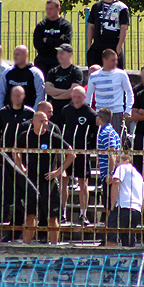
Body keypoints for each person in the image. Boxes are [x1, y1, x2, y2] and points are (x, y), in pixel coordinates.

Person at [14, 112, 74, 244]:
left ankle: (54, 246)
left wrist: (58, 171)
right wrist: (21, 167)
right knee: (30, 216)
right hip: (31, 181)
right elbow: (15, 151)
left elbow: (71, 154)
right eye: (42, 121)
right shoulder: (25, 136)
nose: (45, 123)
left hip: (48, 182)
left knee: (52, 217)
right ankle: (26, 245)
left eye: (46, 121)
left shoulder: (53, 137)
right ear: (34, 122)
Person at [0, 86, 35, 241]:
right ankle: (2, 214)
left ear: (23, 96)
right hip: (5, 157)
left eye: (19, 95)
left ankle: (18, 227)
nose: (16, 98)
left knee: (21, 193)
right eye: (14, 95)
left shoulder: (30, 113)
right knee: (3, 188)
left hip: (23, 159)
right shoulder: (3, 112)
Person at [62, 86, 99, 226]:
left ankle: (83, 214)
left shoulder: (90, 113)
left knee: (83, 183)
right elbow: (62, 128)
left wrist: (90, 148)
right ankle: (62, 212)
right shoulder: (66, 110)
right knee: (64, 181)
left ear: (84, 97)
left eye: (79, 97)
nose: (76, 100)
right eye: (75, 96)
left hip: (83, 152)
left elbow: (95, 132)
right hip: (67, 152)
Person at [85, 49, 135, 135]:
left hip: (116, 113)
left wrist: (128, 110)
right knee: (101, 139)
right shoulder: (94, 76)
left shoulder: (121, 74)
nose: (115, 62)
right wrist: (89, 113)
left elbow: (129, 93)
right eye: (113, 60)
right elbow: (88, 95)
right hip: (100, 113)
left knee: (119, 139)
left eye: (116, 60)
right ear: (104, 60)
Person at [86, 0, 130, 68]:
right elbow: (91, 26)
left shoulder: (122, 8)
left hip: (113, 48)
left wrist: (118, 47)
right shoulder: (96, 6)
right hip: (97, 48)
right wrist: (89, 45)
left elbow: (124, 28)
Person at [106, 153, 144, 247]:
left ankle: (109, 256)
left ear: (127, 161)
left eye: (118, 161)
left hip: (123, 207)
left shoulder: (123, 167)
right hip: (136, 211)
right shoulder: (139, 176)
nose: (116, 164)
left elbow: (116, 183)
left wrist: (112, 205)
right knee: (128, 243)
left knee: (111, 239)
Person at [44, 44, 83, 127]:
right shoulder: (53, 71)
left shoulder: (76, 72)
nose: (59, 56)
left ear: (70, 54)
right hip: (55, 111)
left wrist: (56, 96)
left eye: (62, 53)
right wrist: (66, 91)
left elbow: (73, 92)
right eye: (58, 53)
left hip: (70, 110)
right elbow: (48, 89)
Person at [33, 0, 73, 74]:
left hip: (58, 60)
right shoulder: (41, 25)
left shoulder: (65, 25)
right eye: (47, 9)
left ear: (58, 9)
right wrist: (57, 42)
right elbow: (37, 44)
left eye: (51, 9)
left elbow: (66, 43)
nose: (48, 11)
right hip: (42, 59)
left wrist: (47, 40)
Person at [97, 107, 122, 220]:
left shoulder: (106, 133)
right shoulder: (111, 131)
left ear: (99, 118)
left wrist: (111, 173)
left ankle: (110, 227)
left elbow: (112, 153)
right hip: (110, 171)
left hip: (109, 173)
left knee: (109, 204)